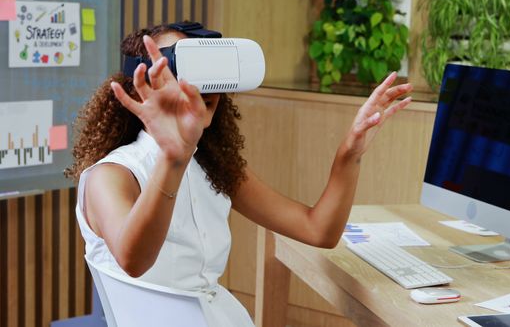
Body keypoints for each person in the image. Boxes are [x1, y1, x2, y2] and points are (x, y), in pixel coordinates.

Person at [65, 23, 412, 325]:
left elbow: (318, 230)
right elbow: (133, 259)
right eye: (181, 67)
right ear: (142, 84)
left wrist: (348, 153)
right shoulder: (110, 175)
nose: (199, 85)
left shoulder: (213, 168)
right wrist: (173, 158)